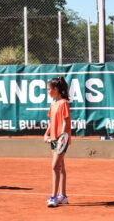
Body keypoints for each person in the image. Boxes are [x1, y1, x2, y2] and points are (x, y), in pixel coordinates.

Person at [44, 76, 72, 207]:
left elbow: (65, 121)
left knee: (54, 166)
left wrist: (62, 138)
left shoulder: (63, 103)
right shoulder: (53, 103)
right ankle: (63, 196)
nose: (48, 91)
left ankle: (54, 197)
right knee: (61, 168)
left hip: (62, 140)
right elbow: (51, 122)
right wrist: (46, 134)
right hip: (54, 139)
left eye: (49, 89)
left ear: (56, 89)